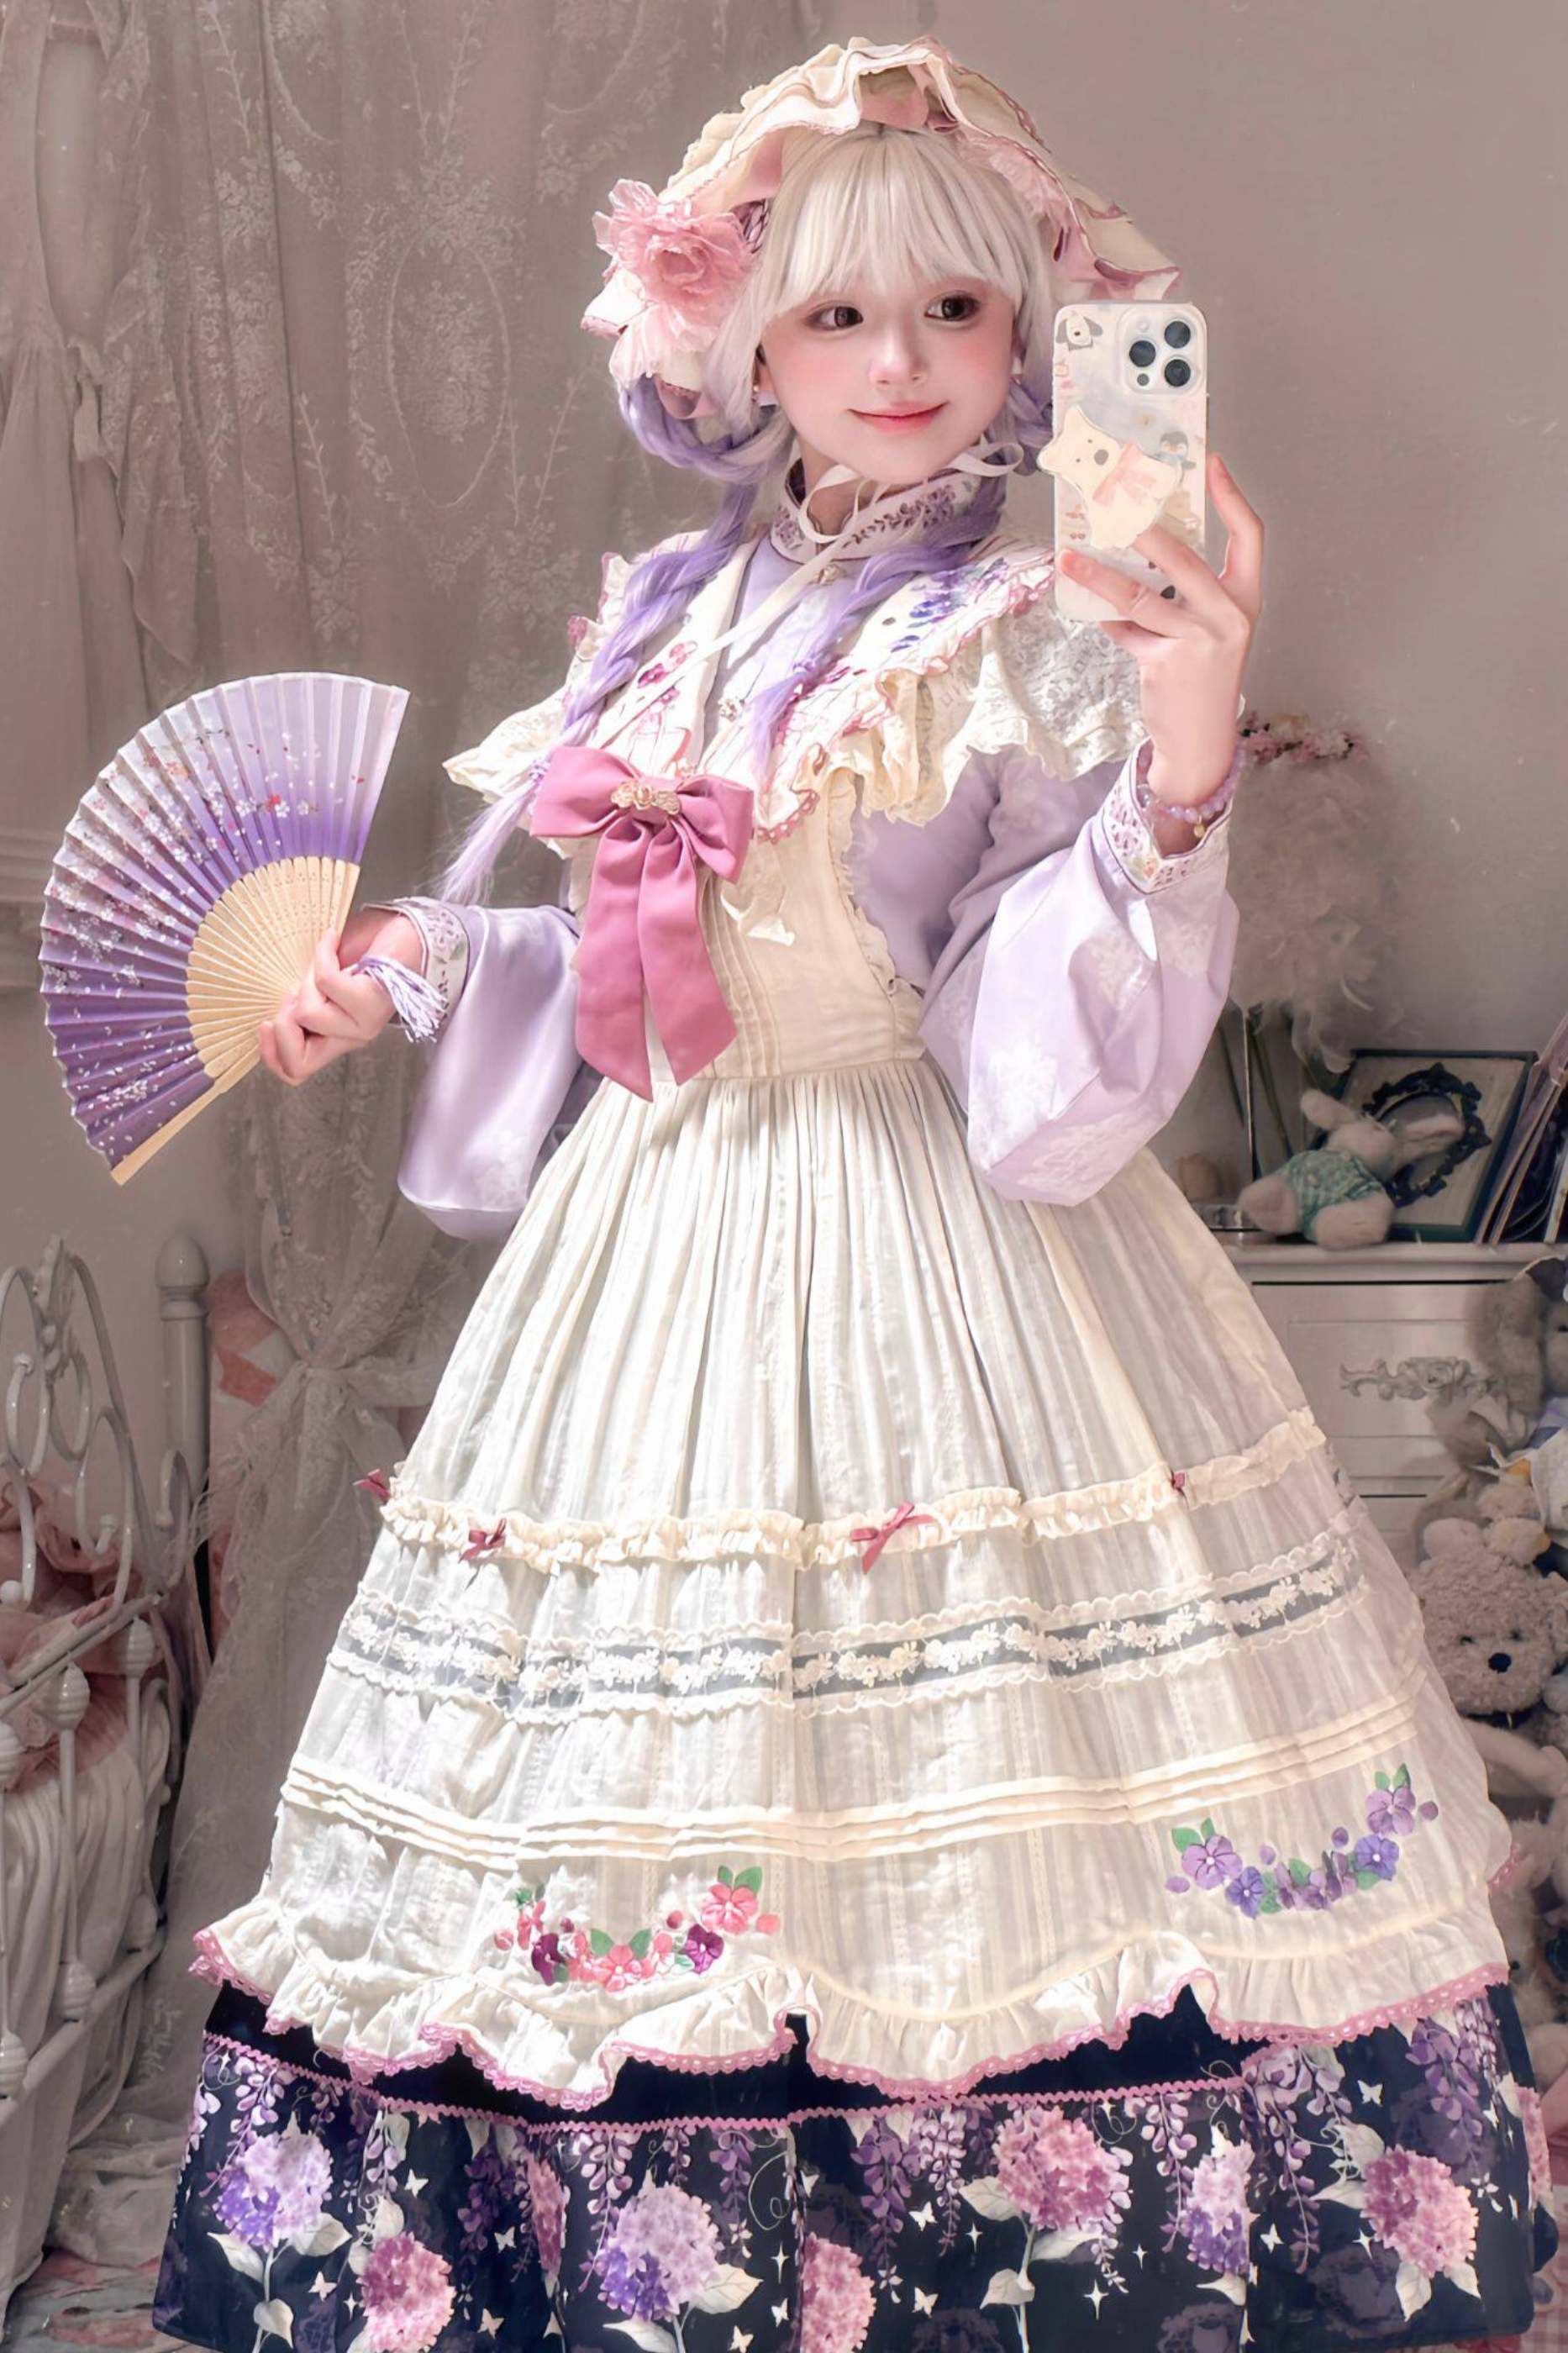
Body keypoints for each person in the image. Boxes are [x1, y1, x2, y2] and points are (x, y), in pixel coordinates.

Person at [153, 38, 1555, 2353]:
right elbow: (635, 969)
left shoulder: (1039, 622)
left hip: (944, 1244)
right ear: (739, 342)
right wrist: (407, 964)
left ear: (1029, 332)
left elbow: (1039, 1080)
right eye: (835, 314)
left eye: (957, 309)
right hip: (666, 1238)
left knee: (980, 1781)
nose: (900, 363)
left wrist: (1184, 758)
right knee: (653, 1789)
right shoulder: (663, 614)